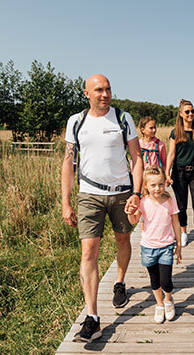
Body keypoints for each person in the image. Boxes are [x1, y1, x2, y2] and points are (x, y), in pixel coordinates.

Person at [61, 74, 143, 342]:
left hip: (122, 194)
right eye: (98, 90)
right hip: (89, 194)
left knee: (122, 239)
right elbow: (69, 163)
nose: (104, 94)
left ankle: (120, 283)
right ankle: (92, 317)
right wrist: (66, 201)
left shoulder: (123, 118)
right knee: (88, 251)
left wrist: (137, 193)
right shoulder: (76, 122)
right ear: (87, 93)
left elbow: (137, 157)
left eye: (108, 89)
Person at [127, 165, 182, 323]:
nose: (157, 188)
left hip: (166, 246)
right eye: (153, 185)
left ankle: (168, 300)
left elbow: (176, 224)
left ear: (165, 183)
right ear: (146, 186)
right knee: (154, 280)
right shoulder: (143, 202)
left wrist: (179, 245)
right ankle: (159, 304)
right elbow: (134, 221)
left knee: (166, 280)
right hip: (148, 247)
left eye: (160, 184)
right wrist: (130, 213)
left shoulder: (170, 201)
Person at [165, 99, 194, 255]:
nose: (191, 114)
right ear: (181, 114)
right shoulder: (175, 133)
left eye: (192, 111)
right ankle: (184, 233)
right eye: (187, 112)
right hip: (179, 173)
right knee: (182, 205)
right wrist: (166, 172)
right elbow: (171, 154)